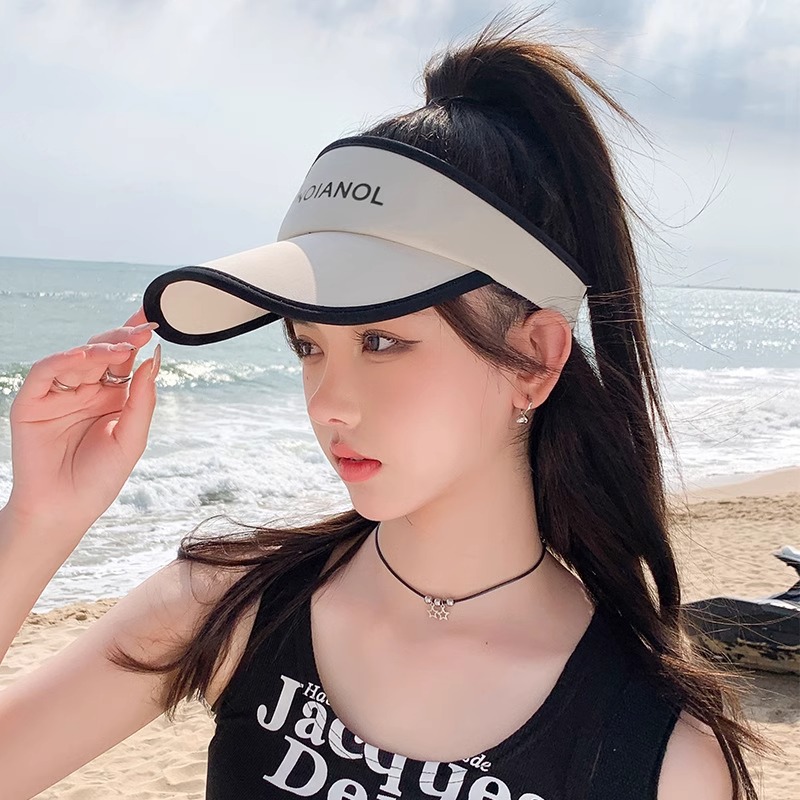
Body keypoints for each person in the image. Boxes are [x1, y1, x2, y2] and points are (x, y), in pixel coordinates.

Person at [0, 8, 775, 800]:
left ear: (536, 359)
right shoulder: (225, 608)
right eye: (308, 346)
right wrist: (39, 519)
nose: (328, 405)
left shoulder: (656, 757)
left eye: (381, 341)